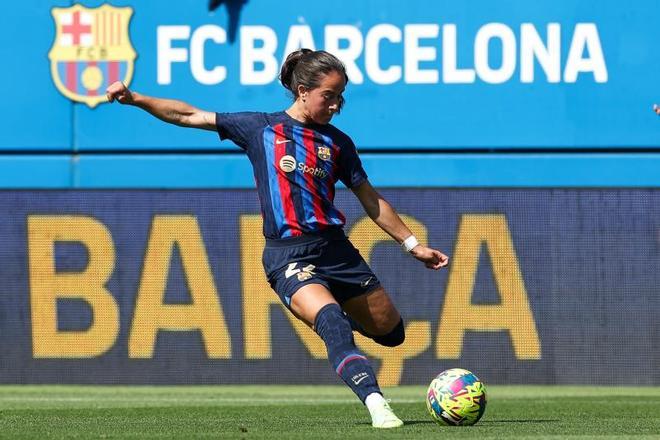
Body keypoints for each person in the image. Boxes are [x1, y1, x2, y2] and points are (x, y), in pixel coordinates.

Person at [106, 48, 449, 429]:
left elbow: (370, 199)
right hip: (289, 256)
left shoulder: (338, 143)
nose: (336, 105)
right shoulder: (261, 128)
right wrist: (135, 99)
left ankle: (339, 332)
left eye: (341, 96)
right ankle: (375, 402)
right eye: (329, 96)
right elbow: (190, 115)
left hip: (336, 250)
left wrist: (412, 244)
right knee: (332, 321)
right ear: (303, 91)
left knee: (391, 334)